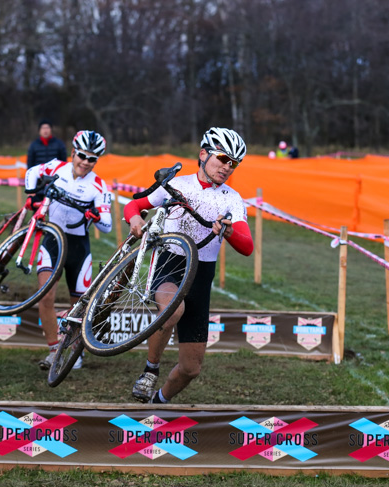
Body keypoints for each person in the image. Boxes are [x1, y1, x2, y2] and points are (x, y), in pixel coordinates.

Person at [124, 127, 254, 403]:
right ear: (204, 154)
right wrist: (135, 219)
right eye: (222, 158)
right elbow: (134, 205)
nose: (227, 167)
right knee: (173, 309)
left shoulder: (231, 199)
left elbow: (247, 247)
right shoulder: (178, 184)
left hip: (201, 275)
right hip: (171, 263)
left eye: (234, 163)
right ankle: (150, 371)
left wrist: (229, 232)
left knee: (191, 369)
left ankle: (158, 402)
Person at [24, 130, 112, 370]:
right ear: (73, 152)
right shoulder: (56, 167)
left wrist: (96, 215)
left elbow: (107, 225)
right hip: (52, 240)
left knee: (79, 307)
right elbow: (32, 172)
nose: (85, 161)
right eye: (82, 155)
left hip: (78, 247)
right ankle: (54, 349)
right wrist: (32, 195)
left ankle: (73, 350)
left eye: (92, 159)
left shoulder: (99, 186)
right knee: (46, 296)